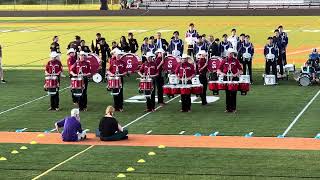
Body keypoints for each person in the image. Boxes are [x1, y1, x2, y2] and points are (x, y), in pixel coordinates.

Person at [217, 48, 243, 113]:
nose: (231, 54)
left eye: (232, 53)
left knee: (234, 93)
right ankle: (228, 108)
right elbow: (218, 69)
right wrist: (222, 73)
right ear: (227, 53)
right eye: (230, 53)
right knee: (227, 93)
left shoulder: (236, 60)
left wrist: (236, 74)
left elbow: (240, 70)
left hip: (234, 78)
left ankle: (234, 108)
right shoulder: (224, 60)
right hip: (226, 78)